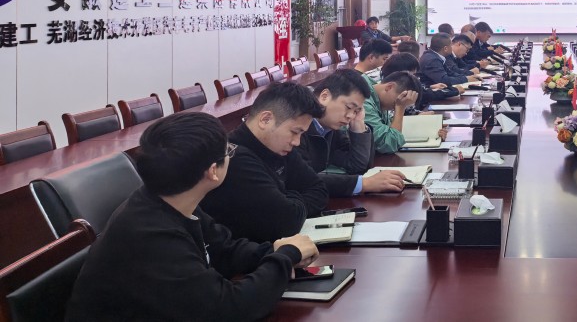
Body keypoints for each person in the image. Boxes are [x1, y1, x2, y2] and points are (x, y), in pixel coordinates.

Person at [67, 113, 320, 321]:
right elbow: (230, 309)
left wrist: (273, 251)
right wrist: (284, 258)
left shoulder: (174, 199)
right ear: (212, 172)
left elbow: (224, 249)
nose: (231, 155)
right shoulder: (151, 236)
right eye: (228, 151)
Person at [201, 82, 328, 242]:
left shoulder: (279, 146)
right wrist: (290, 198)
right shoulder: (235, 158)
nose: (297, 142)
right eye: (295, 132)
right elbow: (287, 221)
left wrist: (287, 198)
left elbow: (319, 189)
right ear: (265, 119)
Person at [298, 69, 406, 195]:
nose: (350, 116)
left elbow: (357, 165)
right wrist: (364, 184)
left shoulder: (330, 128)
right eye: (349, 107)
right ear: (324, 96)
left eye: (356, 111)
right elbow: (303, 180)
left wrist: (359, 126)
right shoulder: (297, 127)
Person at [362, 70, 431, 154]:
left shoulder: (378, 96)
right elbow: (388, 145)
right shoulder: (364, 101)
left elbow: (389, 129)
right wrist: (400, 107)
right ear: (389, 87)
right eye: (398, 100)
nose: (394, 108)